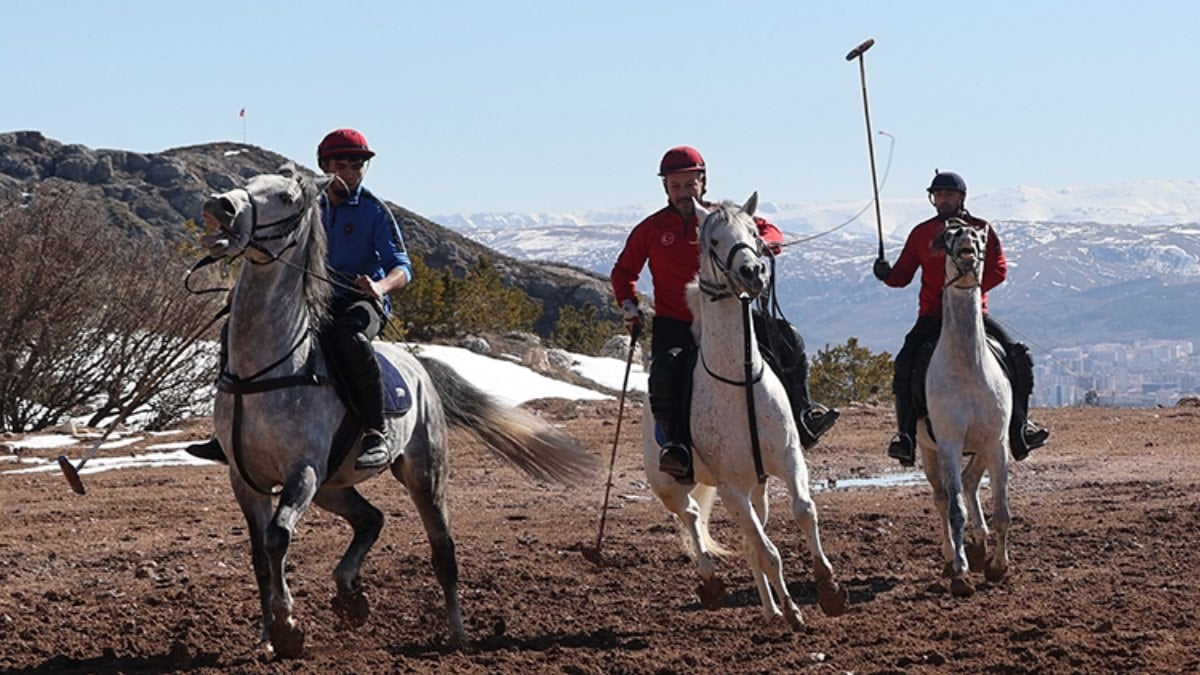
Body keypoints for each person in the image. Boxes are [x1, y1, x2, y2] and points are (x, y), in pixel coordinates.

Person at [188, 128, 413, 471]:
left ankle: (375, 431)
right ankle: (225, 433)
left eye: (357, 165)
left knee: (347, 339)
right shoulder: (303, 205)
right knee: (232, 331)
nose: (350, 172)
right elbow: (271, 248)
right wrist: (244, 286)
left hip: (357, 302)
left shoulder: (374, 211)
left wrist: (381, 287)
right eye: (341, 164)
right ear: (323, 165)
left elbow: (403, 267)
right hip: (305, 300)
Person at [610, 145, 839, 483]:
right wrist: (630, 305)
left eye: (690, 185)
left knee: (789, 340)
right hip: (677, 322)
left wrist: (764, 243)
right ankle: (676, 448)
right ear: (666, 188)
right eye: (676, 186)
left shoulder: (723, 217)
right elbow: (623, 271)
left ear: (703, 182)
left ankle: (803, 414)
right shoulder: (652, 228)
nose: (684, 193)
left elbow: (767, 228)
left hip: (732, 315)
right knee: (663, 374)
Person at [873, 170, 1049, 467]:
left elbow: (999, 269)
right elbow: (902, 276)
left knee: (1018, 357)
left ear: (961, 197)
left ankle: (1020, 427)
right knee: (905, 363)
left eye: (949, 195)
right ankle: (905, 437)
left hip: (973, 315)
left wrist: (967, 290)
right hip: (932, 317)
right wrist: (886, 274)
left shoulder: (981, 229)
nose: (943, 200)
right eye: (938, 195)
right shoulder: (921, 233)